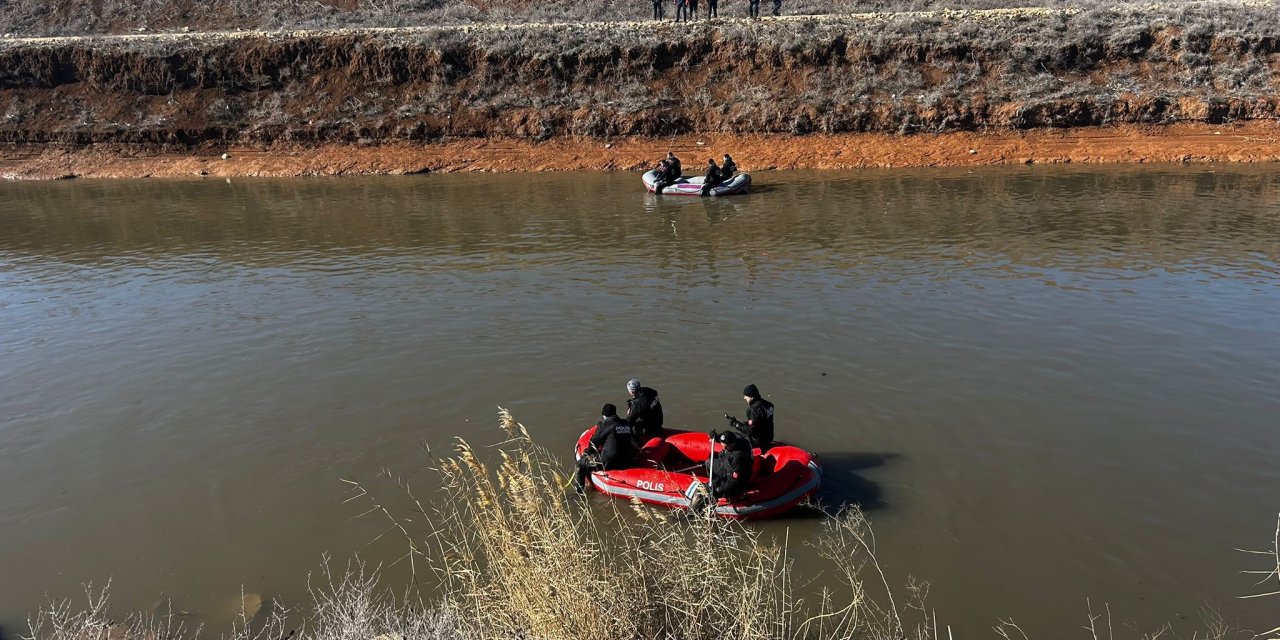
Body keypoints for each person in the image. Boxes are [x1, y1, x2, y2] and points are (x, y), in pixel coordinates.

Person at [574, 404, 636, 494]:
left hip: (609, 461)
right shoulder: (625, 424)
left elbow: (593, 443)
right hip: (626, 459)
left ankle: (579, 493)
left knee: (580, 464)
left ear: (604, 416)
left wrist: (586, 453)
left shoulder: (605, 425)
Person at [708, 430, 753, 499]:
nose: (724, 448)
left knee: (709, 463)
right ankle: (715, 480)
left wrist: (718, 490)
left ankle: (716, 483)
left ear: (731, 444)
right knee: (711, 459)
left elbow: (733, 481)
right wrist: (716, 437)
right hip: (730, 465)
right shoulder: (735, 438)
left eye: (725, 447)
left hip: (739, 479)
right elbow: (725, 438)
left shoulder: (737, 457)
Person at [624, 378, 664, 443]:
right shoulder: (650, 391)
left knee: (629, 427)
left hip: (651, 428)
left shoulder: (637, 405)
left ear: (631, 392)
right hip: (659, 421)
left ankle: (639, 443)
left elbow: (629, 420)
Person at [739, 384, 774, 449]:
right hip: (769, 437)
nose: (744, 398)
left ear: (752, 397)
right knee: (745, 425)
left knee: (738, 436)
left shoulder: (752, 410)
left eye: (746, 396)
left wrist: (736, 424)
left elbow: (750, 431)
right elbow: (762, 420)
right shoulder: (770, 405)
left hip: (758, 441)